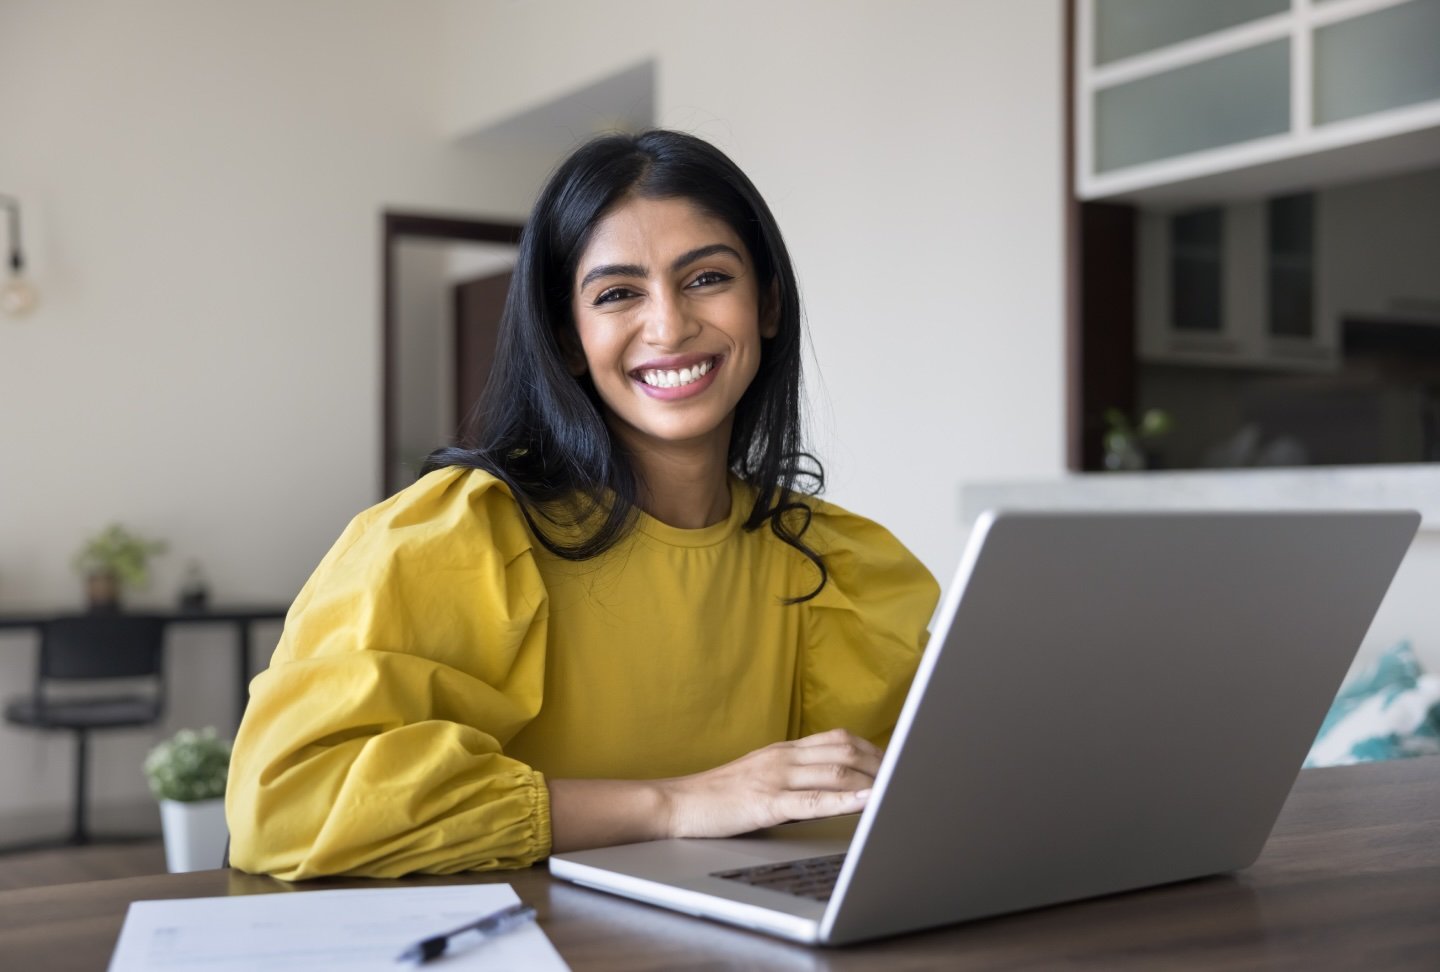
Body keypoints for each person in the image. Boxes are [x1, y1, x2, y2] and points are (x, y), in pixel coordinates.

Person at [226, 130, 940, 879]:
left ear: (766, 304)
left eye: (706, 279)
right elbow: (285, 804)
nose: (668, 325)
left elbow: (896, 799)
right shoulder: (460, 536)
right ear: (569, 340)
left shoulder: (840, 564)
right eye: (618, 294)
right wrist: (673, 804)